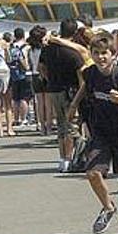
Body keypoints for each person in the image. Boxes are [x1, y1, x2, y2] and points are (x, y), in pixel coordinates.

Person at [67, 31, 118, 234]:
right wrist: (74, 105)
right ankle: (109, 207)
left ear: (113, 54)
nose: (101, 57)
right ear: (91, 54)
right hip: (100, 132)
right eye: (97, 53)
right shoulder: (90, 73)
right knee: (92, 173)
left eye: (105, 53)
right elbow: (86, 87)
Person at [39, 18, 85, 172]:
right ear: (75, 32)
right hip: (70, 90)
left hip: (54, 89)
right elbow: (81, 77)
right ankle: (70, 159)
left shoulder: (48, 48)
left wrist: (49, 79)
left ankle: (62, 158)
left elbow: (41, 68)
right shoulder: (73, 52)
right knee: (72, 126)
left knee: (61, 125)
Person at [27, 26, 53, 135]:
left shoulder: (31, 50)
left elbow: (30, 63)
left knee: (39, 103)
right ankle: (49, 127)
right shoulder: (46, 48)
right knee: (48, 103)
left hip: (34, 76)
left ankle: (42, 126)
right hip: (45, 75)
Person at [8, 27, 32, 129]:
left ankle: (16, 118)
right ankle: (24, 119)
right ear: (23, 35)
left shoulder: (11, 47)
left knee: (15, 98)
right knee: (24, 98)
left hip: (13, 74)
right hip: (24, 74)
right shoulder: (27, 47)